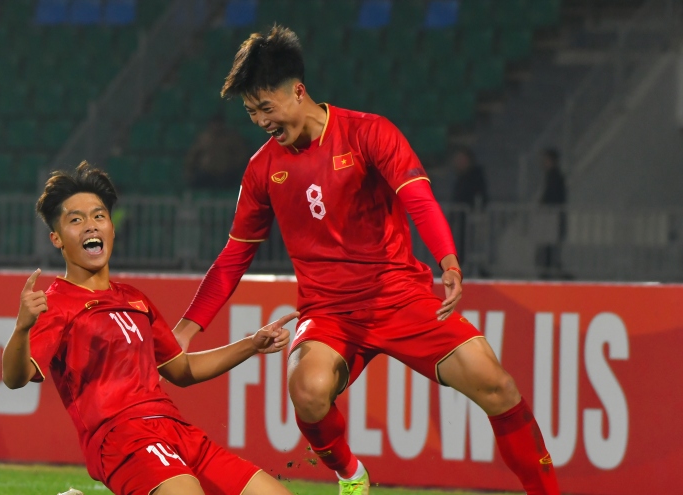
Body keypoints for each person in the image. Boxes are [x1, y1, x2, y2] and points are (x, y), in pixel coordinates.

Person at [172, 26, 560, 495]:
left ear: (298, 92)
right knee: (307, 390)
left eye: (266, 108)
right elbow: (234, 255)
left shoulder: (368, 133)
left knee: (497, 386)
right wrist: (187, 329)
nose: (260, 121)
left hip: (401, 297)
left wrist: (448, 261)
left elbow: (418, 198)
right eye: (251, 112)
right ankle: (350, 473)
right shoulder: (261, 169)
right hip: (329, 313)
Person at [1, 161, 296, 495]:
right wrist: (22, 328)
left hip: (176, 430)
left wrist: (252, 344)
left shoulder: (135, 299)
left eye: (98, 216)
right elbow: (14, 378)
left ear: (112, 228)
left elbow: (182, 370)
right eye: (76, 220)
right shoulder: (56, 304)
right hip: (120, 438)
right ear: (56, 238)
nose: (90, 226)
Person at [184, 116, 250, 191]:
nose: (216, 127)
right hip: (206, 173)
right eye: (214, 124)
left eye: (219, 124)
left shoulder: (231, 138)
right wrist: (190, 170)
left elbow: (242, 155)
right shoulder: (204, 139)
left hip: (226, 173)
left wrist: (233, 164)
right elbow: (192, 155)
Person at [536, 148, 567, 279]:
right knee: (550, 244)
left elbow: (552, 196)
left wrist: (543, 204)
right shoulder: (553, 176)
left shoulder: (554, 176)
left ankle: (549, 269)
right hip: (551, 215)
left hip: (552, 215)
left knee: (550, 244)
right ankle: (550, 268)